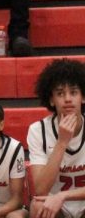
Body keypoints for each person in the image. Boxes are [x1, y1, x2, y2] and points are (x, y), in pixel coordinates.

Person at [27, 59, 85, 218]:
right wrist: (62, 142)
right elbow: (40, 189)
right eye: (60, 93)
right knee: (38, 205)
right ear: (52, 100)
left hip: (79, 200)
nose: (67, 99)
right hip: (55, 206)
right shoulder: (37, 130)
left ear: (83, 97)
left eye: (73, 92)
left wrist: (64, 195)